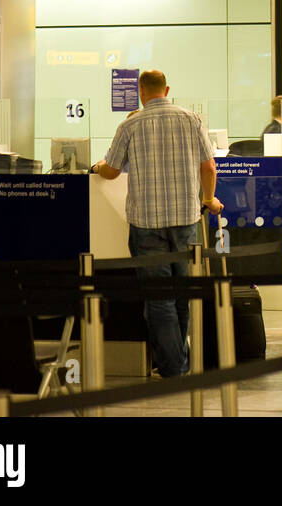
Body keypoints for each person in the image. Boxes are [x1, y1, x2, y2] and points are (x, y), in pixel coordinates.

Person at [91, 70, 222, 378]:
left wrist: (96, 166)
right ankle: (178, 361)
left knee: (159, 297)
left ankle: (174, 366)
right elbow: (209, 167)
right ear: (167, 89)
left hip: (146, 224)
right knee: (180, 293)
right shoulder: (192, 120)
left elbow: (110, 171)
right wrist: (208, 200)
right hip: (186, 221)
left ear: (141, 92)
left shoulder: (130, 124)